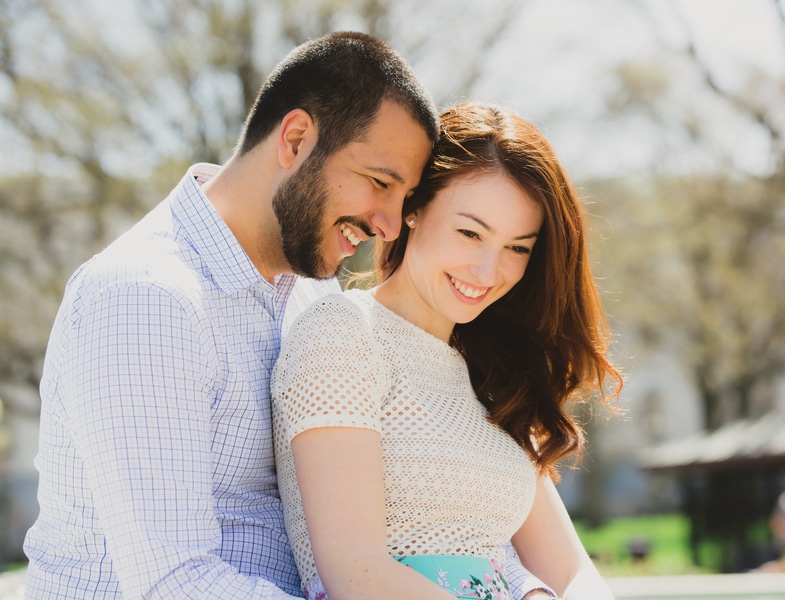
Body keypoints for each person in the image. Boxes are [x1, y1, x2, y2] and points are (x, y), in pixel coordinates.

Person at [23, 32, 439, 599]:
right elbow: (175, 582)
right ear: (294, 140)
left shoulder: (313, 304)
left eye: (404, 198)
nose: (389, 224)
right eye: (380, 183)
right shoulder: (145, 298)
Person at [271, 101, 622, 600]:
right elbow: (357, 574)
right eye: (469, 232)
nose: (486, 271)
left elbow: (573, 574)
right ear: (413, 208)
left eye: (517, 247)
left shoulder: (492, 376)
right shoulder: (343, 333)